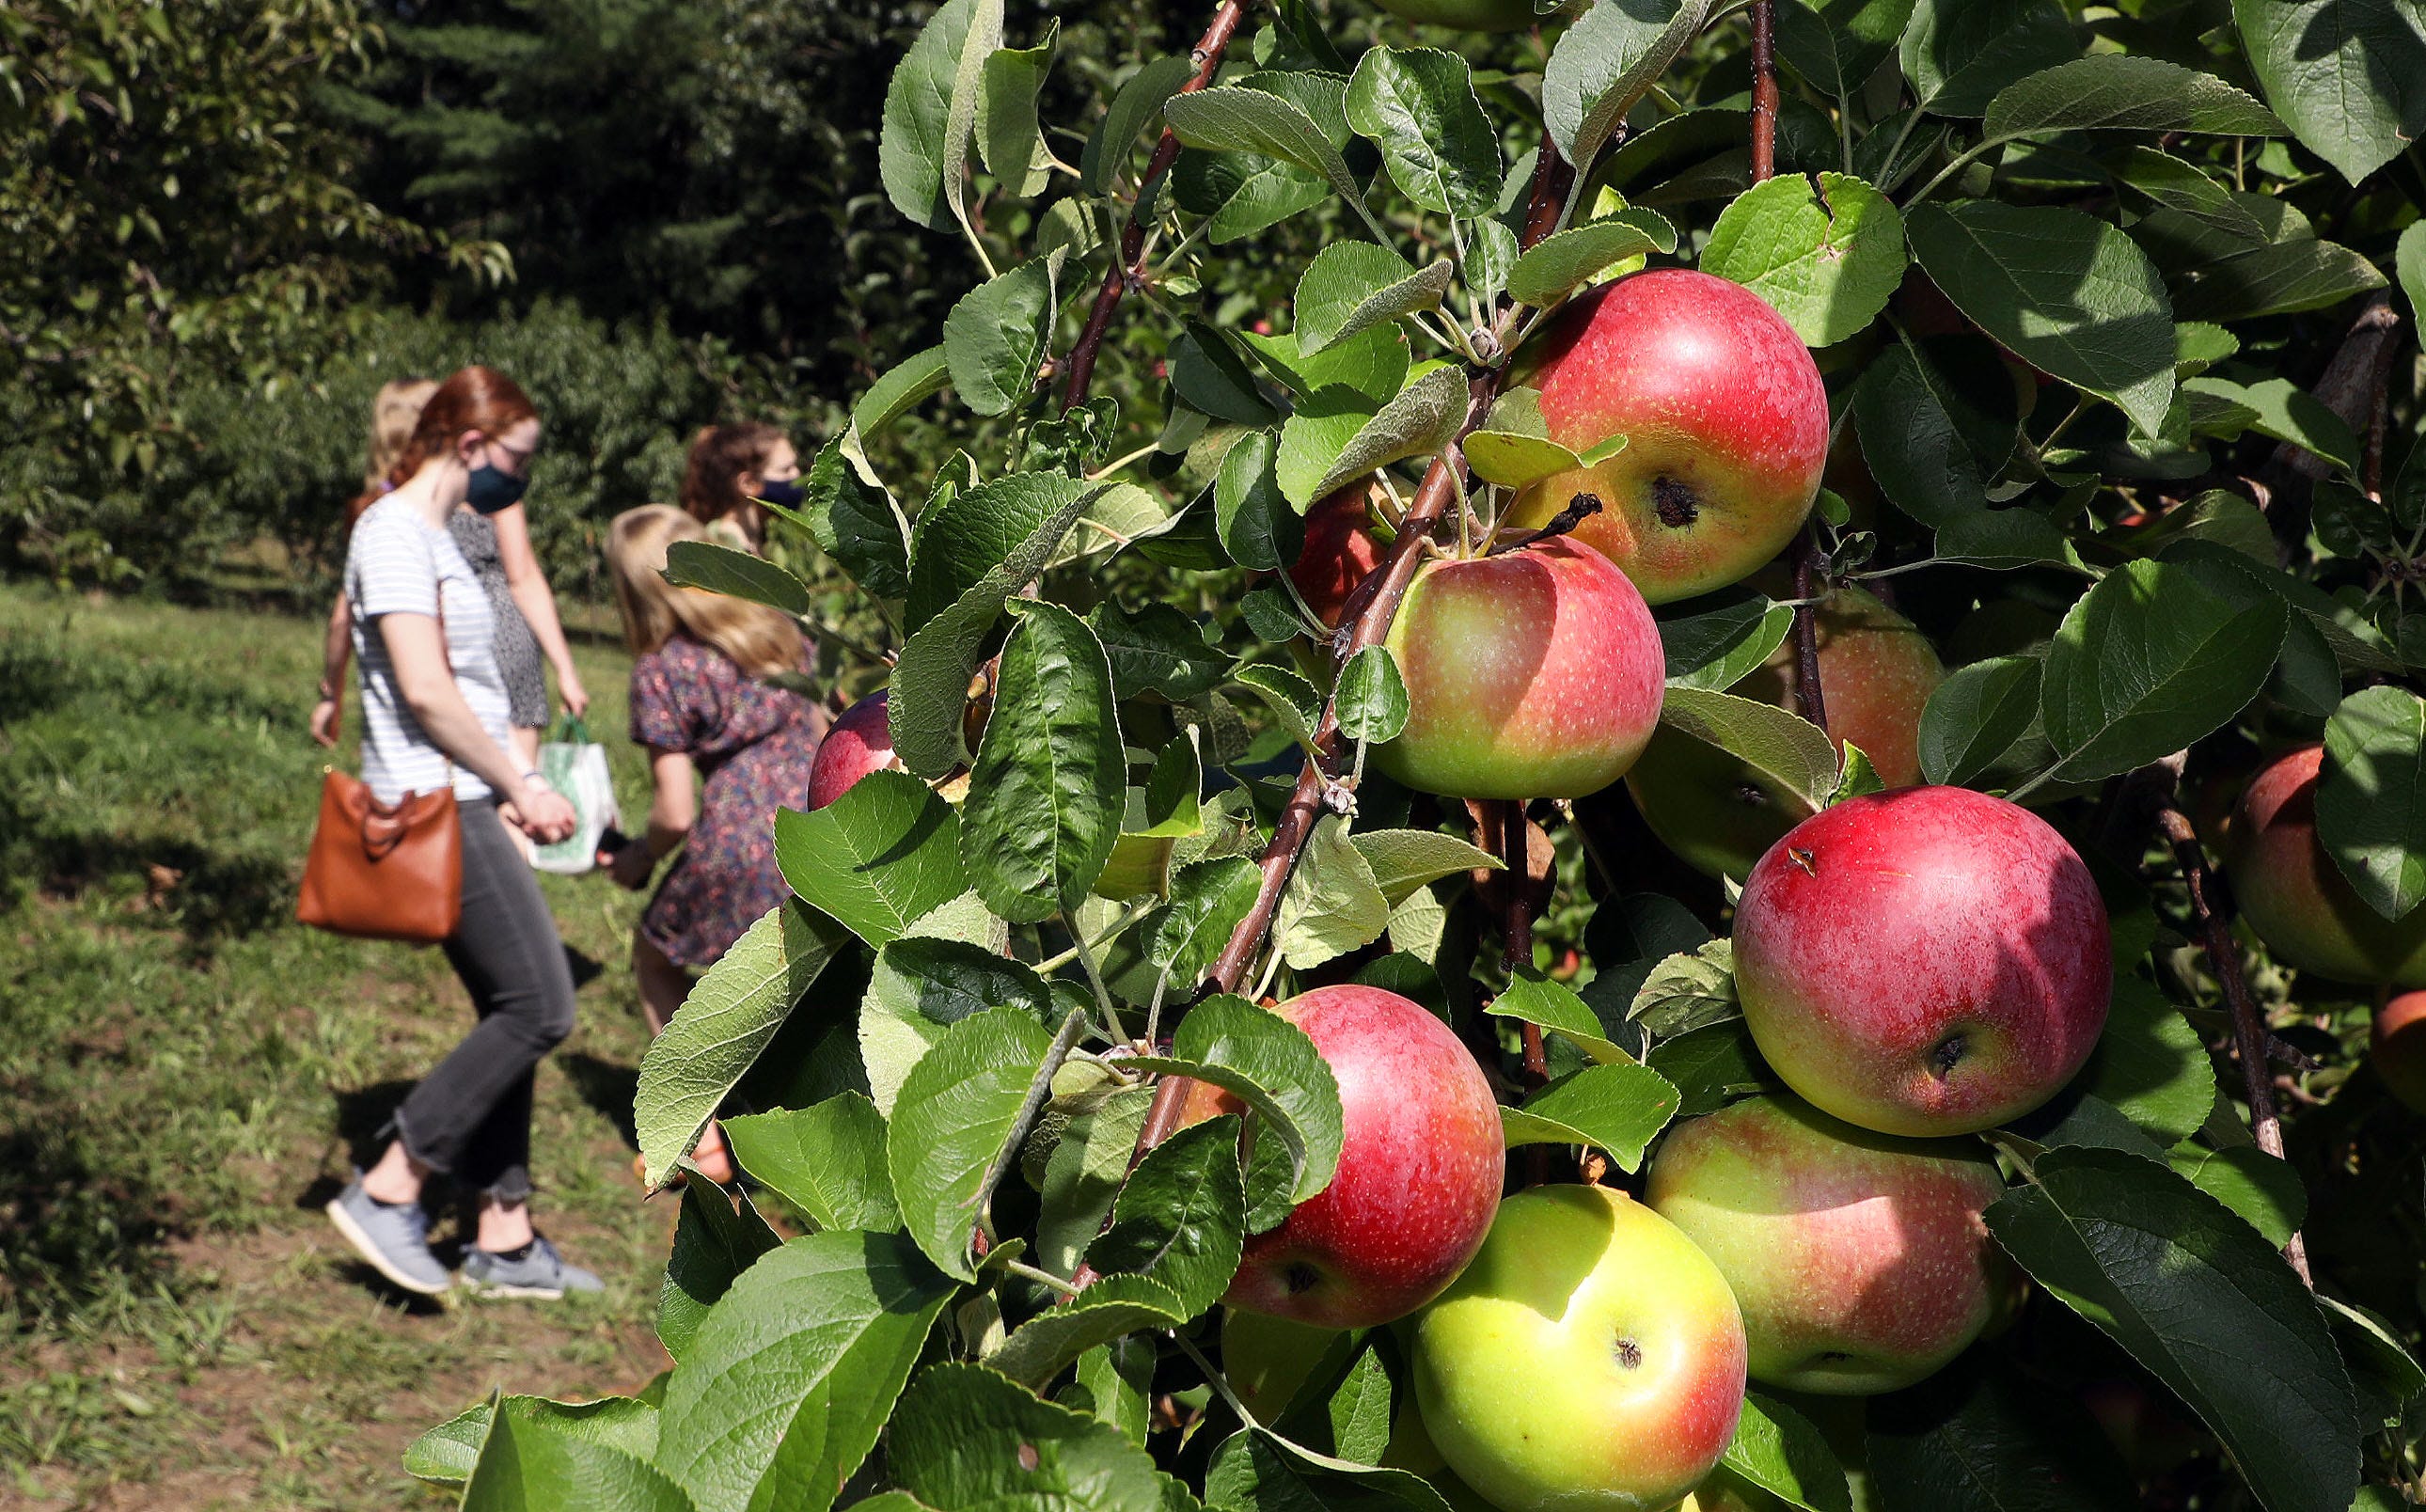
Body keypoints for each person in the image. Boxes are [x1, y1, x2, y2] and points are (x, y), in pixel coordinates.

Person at [323, 365, 602, 1301]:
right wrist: (519, 780)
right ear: (472, 445)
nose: (521, 479)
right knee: (542, 1006)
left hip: (468, 794)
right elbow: (427, 691)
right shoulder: (394, 531)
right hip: (434, 803)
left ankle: (503, 1236)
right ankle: (391, 1183)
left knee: (509, 1003)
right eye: (516, 459)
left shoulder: (434, 535)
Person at [605, 506, 827, 1182]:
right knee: (804, 981)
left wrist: (639, 860)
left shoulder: (664, 671)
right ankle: (803, 1130)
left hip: (738, 842)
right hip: (816, 824)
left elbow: (674, 811)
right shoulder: (780, 629)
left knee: (656, 957)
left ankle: (703, 1133)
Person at [313, 384, 589, 769]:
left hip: (437, 650)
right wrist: (566, 670)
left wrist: (332, 692)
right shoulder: (472, 492)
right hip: (506, 643)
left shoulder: (387, 506)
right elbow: (523, 575)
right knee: (515, 793)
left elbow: (345, 614)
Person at [678, 422, 803, 555]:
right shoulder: (723, 548)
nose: (797, 474)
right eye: (786, 470)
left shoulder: (755, 540)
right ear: (748, 483)